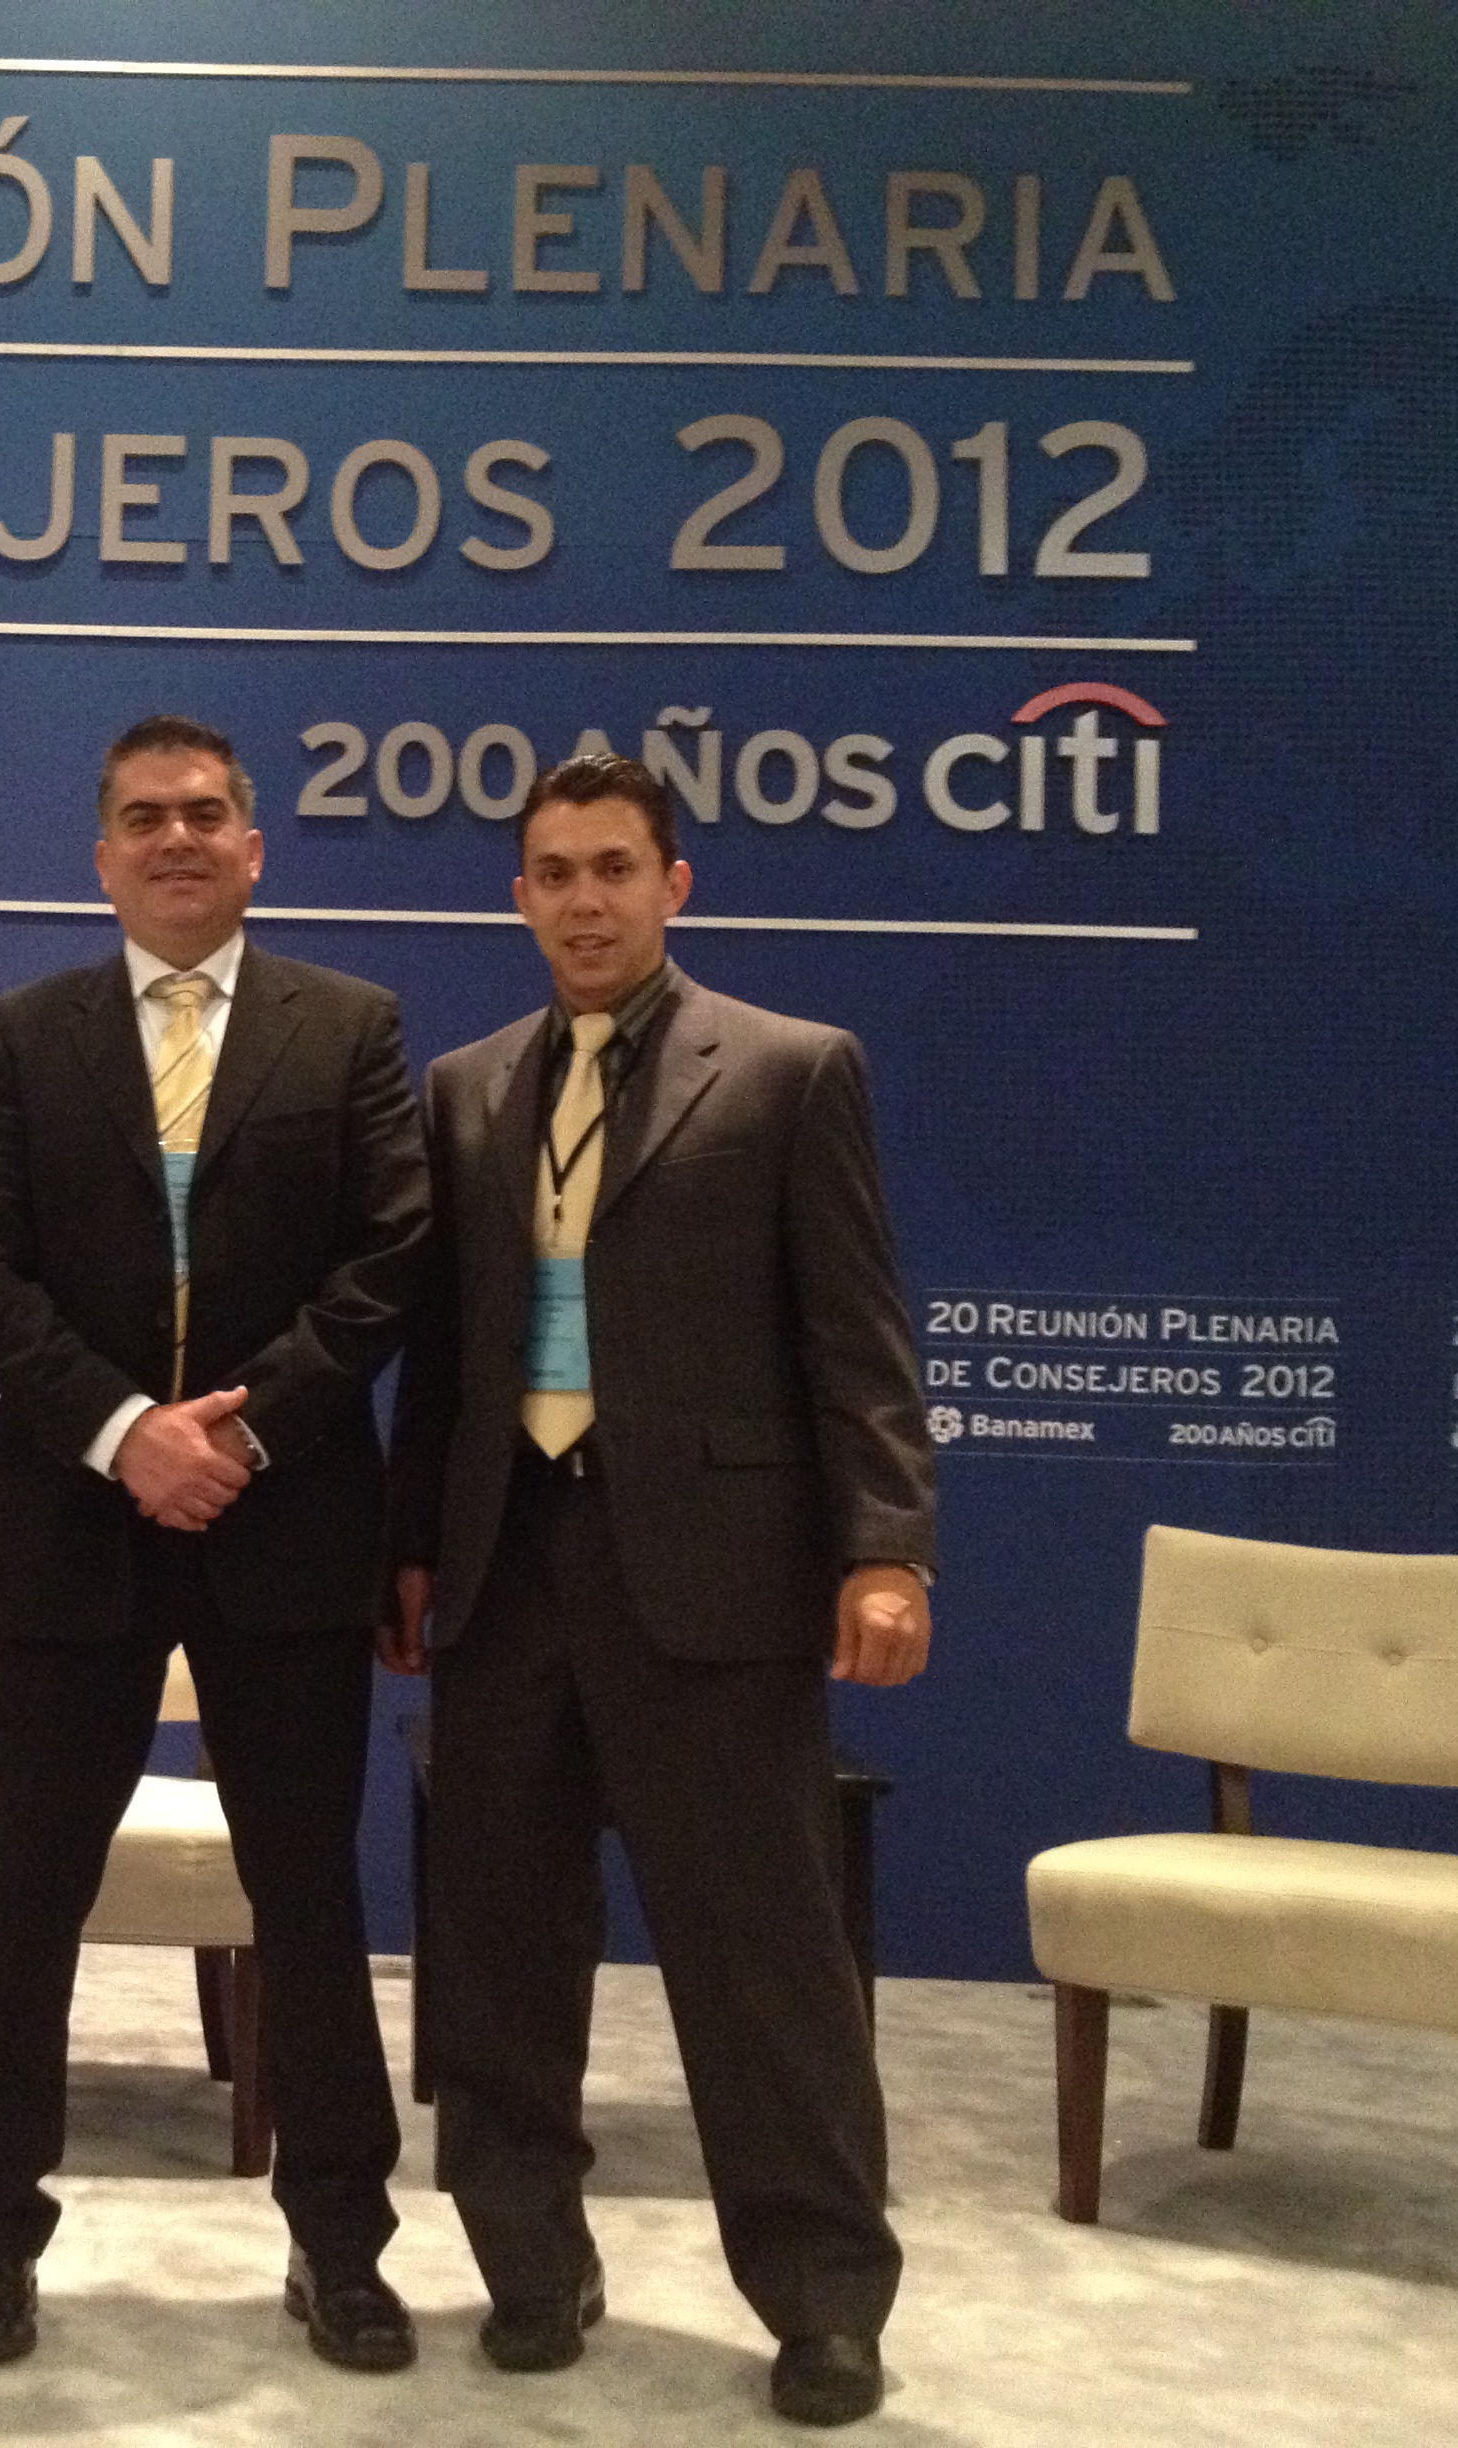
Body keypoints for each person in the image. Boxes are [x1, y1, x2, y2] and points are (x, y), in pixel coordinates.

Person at [383, 752, 936, 2428]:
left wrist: (888, 1545)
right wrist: (411, 1547)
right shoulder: (466, 1089)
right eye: (554, 874)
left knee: (765, 1961)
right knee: (499, 1952)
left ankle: (824, 2302)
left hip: (715, 1580)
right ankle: (531, 2266)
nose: (586, 901)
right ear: (520, 899)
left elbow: (859, 1334)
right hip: (507, 1570)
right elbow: (443, 1356)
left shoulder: (787, 1070)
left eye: (614, 868)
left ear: (673, 884)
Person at [0, 714, 431, 2373]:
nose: (177, 839)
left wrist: (239, 1432)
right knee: (30, 1899)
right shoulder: (24, 1034)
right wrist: (126, 1433)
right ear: (103, 857)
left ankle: (342, 2249)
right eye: (144, 818)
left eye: (205, 814)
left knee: (310, 1899)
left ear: (254, 846)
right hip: (72, 1520)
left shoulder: (349, 1028)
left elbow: (386, 1263)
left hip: (288, 1524)